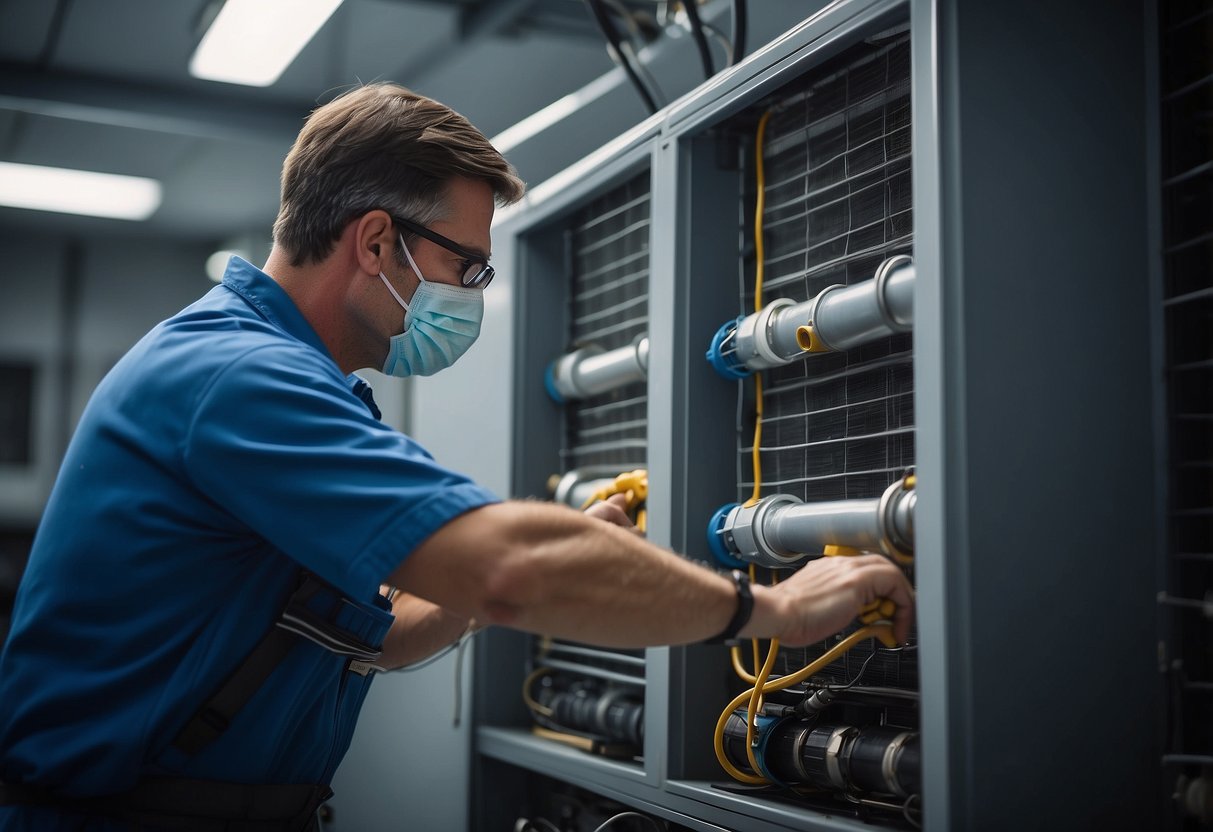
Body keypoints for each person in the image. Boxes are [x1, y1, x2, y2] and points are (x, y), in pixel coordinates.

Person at [0, 83, 914, 831]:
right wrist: (779, 609)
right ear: (373, 240)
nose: (474, 294)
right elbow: (510, 565)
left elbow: (380, 632)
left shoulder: (262, 373)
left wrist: (504, 579)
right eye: (470, 269)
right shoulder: (239, 378)